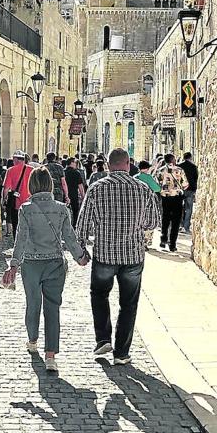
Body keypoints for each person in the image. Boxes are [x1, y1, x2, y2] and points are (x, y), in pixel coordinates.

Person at [76, 149, 161, 366]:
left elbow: (83, 223)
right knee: (129, 303)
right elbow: (152, 223)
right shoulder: (143, 189)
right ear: (127, 164)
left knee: (99, 294)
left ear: (108, 164)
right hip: (133, 256)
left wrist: (82, 250)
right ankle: (122, 352)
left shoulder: (96, 189)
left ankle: (103, 338)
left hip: (105, 254)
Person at [4, 167, 89, 373]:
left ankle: (32, 340)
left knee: (33, 304)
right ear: (50, 185)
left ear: (31, 186)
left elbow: (21, 239)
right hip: (54, 263)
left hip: (32, 265)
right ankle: (51, 356)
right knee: (53, 309)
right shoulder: (62, 209)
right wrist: (80, 257)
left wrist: (14, 265)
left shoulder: (25, 209)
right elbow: (69, 237)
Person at [156, 154, 189, 252]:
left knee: (165, 218)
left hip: (165, 197)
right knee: (175, 221)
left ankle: (164, 239)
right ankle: (172, 244)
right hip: (177, 198)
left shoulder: (161, 170)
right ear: (173, 160)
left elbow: (158, 184)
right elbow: (185, 184)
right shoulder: (179, 170)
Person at [3, 151, 34, 239]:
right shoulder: (32, 170)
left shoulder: (10, 170)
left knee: (16, 224)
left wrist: (4, 200)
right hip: (30, 202)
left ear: (16, 159)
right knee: (29, 223)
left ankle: (17, 241)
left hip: (16, 203)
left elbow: (6, 188)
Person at [64, 157, 87, 228]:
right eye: (75, 162)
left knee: (64, 210)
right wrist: (83, 196)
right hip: (74, 194)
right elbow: (80, 186)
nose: (76, 164)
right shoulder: (76, 173)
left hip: (65, 194)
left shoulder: (63, 172)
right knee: (75, 211)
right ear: (71, 163)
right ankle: (74, 225)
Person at [179, 152, 199, 234]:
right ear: (190, 158)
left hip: (181, 189)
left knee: (180, 207)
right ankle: (186, 226)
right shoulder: (194, 167)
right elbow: (196, 178)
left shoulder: (179, 166)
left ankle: (180, 225)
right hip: (190, 189)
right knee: (189, 208)